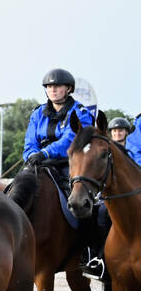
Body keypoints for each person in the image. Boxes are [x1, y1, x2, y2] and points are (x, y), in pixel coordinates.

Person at [21, 67, 104, 277]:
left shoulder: (81, 113)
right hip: (38, 164)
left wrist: (46, 152)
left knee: (82, 202)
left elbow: (71, 139)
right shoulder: (37, 113)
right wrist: (32, 155)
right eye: (49, 87)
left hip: (68, 163)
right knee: (14, 192)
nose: (53, 90)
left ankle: (90, 253)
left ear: (68, 89)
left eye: (57, 86)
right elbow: (30, 140)